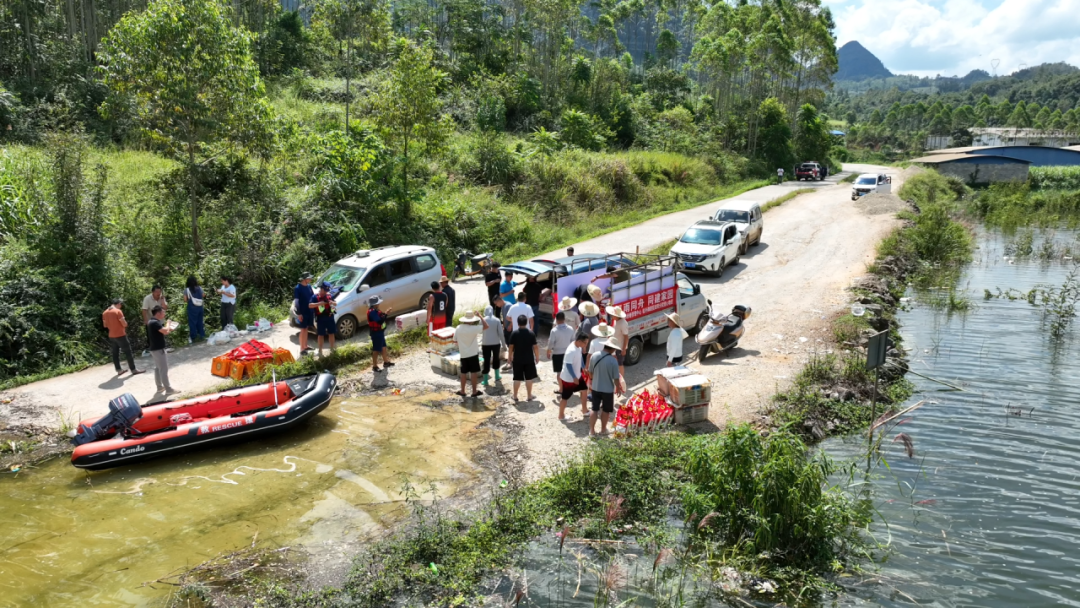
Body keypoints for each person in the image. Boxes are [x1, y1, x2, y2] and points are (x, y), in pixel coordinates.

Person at [588, 337, 625, 437]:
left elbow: (590, 373)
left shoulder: (594, 356)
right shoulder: (613, 361)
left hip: (595, 387)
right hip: (607, 390)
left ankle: (591, 431)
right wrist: (618, 388)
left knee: (594, 408)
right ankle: (603, 429)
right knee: (606, 410)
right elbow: (616, 378)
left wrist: (593, 379)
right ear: (612, 349)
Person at [102, 299, 143, 377]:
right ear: (119, 304)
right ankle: (133, 369)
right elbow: (124, 324)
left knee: (115, 354)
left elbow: (105, 325)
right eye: (121, 305)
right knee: (128, 352)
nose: (121, 306)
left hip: (111, 335)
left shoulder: (105, 312)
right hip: (120, 335)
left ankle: (119, 370)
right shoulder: (118, 311)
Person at [558, 333, 590, 420]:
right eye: (585, 343)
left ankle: (584, 410)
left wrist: (583, 367)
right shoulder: (571, 350)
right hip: (569, 379)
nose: (585, 345)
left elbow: (580, 358)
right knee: (565, 397)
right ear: (579, 341)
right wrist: (574, 377)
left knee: (584, 390)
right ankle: (561, 415)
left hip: (577, 375)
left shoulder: (578, 347)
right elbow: (568, 365)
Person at [147, 305, 178, 395]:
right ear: (158, 313)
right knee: (163, 369)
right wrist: (168, 323)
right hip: (158, 349)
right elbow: (165, 330)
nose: (164, 314)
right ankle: (168, 389)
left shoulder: (152, 321)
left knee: (158, 368)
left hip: (154, 349)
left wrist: (170, 329)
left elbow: (165, 332)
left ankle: (160, 387)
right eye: (163, 312)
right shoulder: (155, 323)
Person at [507, 314, 539, 402]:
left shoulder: (514, 333)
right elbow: (535, 347)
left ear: (517, 323)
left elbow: (511, 347)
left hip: (517, 359)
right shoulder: (531, 333)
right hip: (529, 359)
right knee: (529, 378)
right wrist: (537, 357)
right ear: (527, 322)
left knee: (517, 378)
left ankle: (515, 396)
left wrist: (509, 356)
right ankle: (529, 396)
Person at [455, 311, 484, 398]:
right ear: (472, 320)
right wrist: (480, 316)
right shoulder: (473, 329)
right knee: (473, 372)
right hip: (473, 353)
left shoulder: (458, 327)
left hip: (463, 354)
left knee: (463, 372)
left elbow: (455, 340)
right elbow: (486, 326)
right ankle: (474, 391)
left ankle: (462, 391)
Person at [547, 311, 575, 392]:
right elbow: (573, 341)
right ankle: (568, 387)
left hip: (557, 354)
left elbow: (551, 343)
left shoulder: (554, 331)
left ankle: (561, 389)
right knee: (568, 371)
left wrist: (548, 351)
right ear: (564, 319)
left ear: (556, 319)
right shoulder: (570, 329)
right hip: (568, 353)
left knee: (559, 372)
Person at [367, 296, 394, 371]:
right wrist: (386, 314)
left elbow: (381, 316)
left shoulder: (375, 310)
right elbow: (380, 321)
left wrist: (385, 313)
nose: (379, 304)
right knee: (376, 350)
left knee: (383, 347)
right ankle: (374, 366)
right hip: (376, 333)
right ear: (375, 304)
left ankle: (386, 362)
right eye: (378, 303)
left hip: (380, 332)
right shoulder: (372, 312)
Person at [310, 282, 337, 356]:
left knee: (331, 333)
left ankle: (332, 349)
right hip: (321, 319)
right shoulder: (315, 297)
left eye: (326, 291)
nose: (325, 292)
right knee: (321, 335)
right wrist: (319, 303)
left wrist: (332, 302)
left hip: (330, 317)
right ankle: (320, 351)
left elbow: (335, 303)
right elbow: (310, 305)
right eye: (324, 290)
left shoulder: (329, 295)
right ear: (321, 288)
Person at [141, 285, 168, 355]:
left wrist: (162, 301)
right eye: (156, 291)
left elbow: (165, 308)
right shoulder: (147, 298)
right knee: (151, 336)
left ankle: (162, 348)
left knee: (161, 334)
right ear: (153, 292)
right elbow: (144, 310)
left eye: (159, 291)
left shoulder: (161, 297)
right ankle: (152, 349)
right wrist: (145, 320)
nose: (158, 293)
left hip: (160, 320)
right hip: (151, 321)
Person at [481, 305, 503, 386]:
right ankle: (497, 376)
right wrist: (504, 345)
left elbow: (479, 331)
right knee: (496, 358)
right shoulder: (497, 320)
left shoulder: (483, 320)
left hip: (485, 343)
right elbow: (501, 333)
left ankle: (485, 380)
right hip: (496, 343)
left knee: (486, 360)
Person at [294, 273, 315, 354]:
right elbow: (296, 302)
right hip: (303, 312)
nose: (310, 280)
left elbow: (313, 297)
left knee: (306, 328)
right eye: (309, 278)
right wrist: (299, 313)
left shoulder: (309, 286)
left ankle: (305, 346)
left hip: (309, 311)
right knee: (303, 329)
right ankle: (301, 349)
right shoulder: (298, 288)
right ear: (304, 279)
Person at [607, 305, 630, 377]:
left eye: (613, 315)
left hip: (620, 347)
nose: (612, 316)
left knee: (620, 364)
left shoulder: (623, 323)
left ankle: (621, 379)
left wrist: (624, 349)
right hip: (615, 345)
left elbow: (626, 337)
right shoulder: (616, 321)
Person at [183, 277, 206, 344]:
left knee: (192, 322)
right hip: (200, 307)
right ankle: (202, 335)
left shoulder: (187, 290)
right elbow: (203, 295)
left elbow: (185, 300)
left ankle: (193, 336)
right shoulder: (199, 288)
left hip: (192, 308)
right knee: (200, 321)